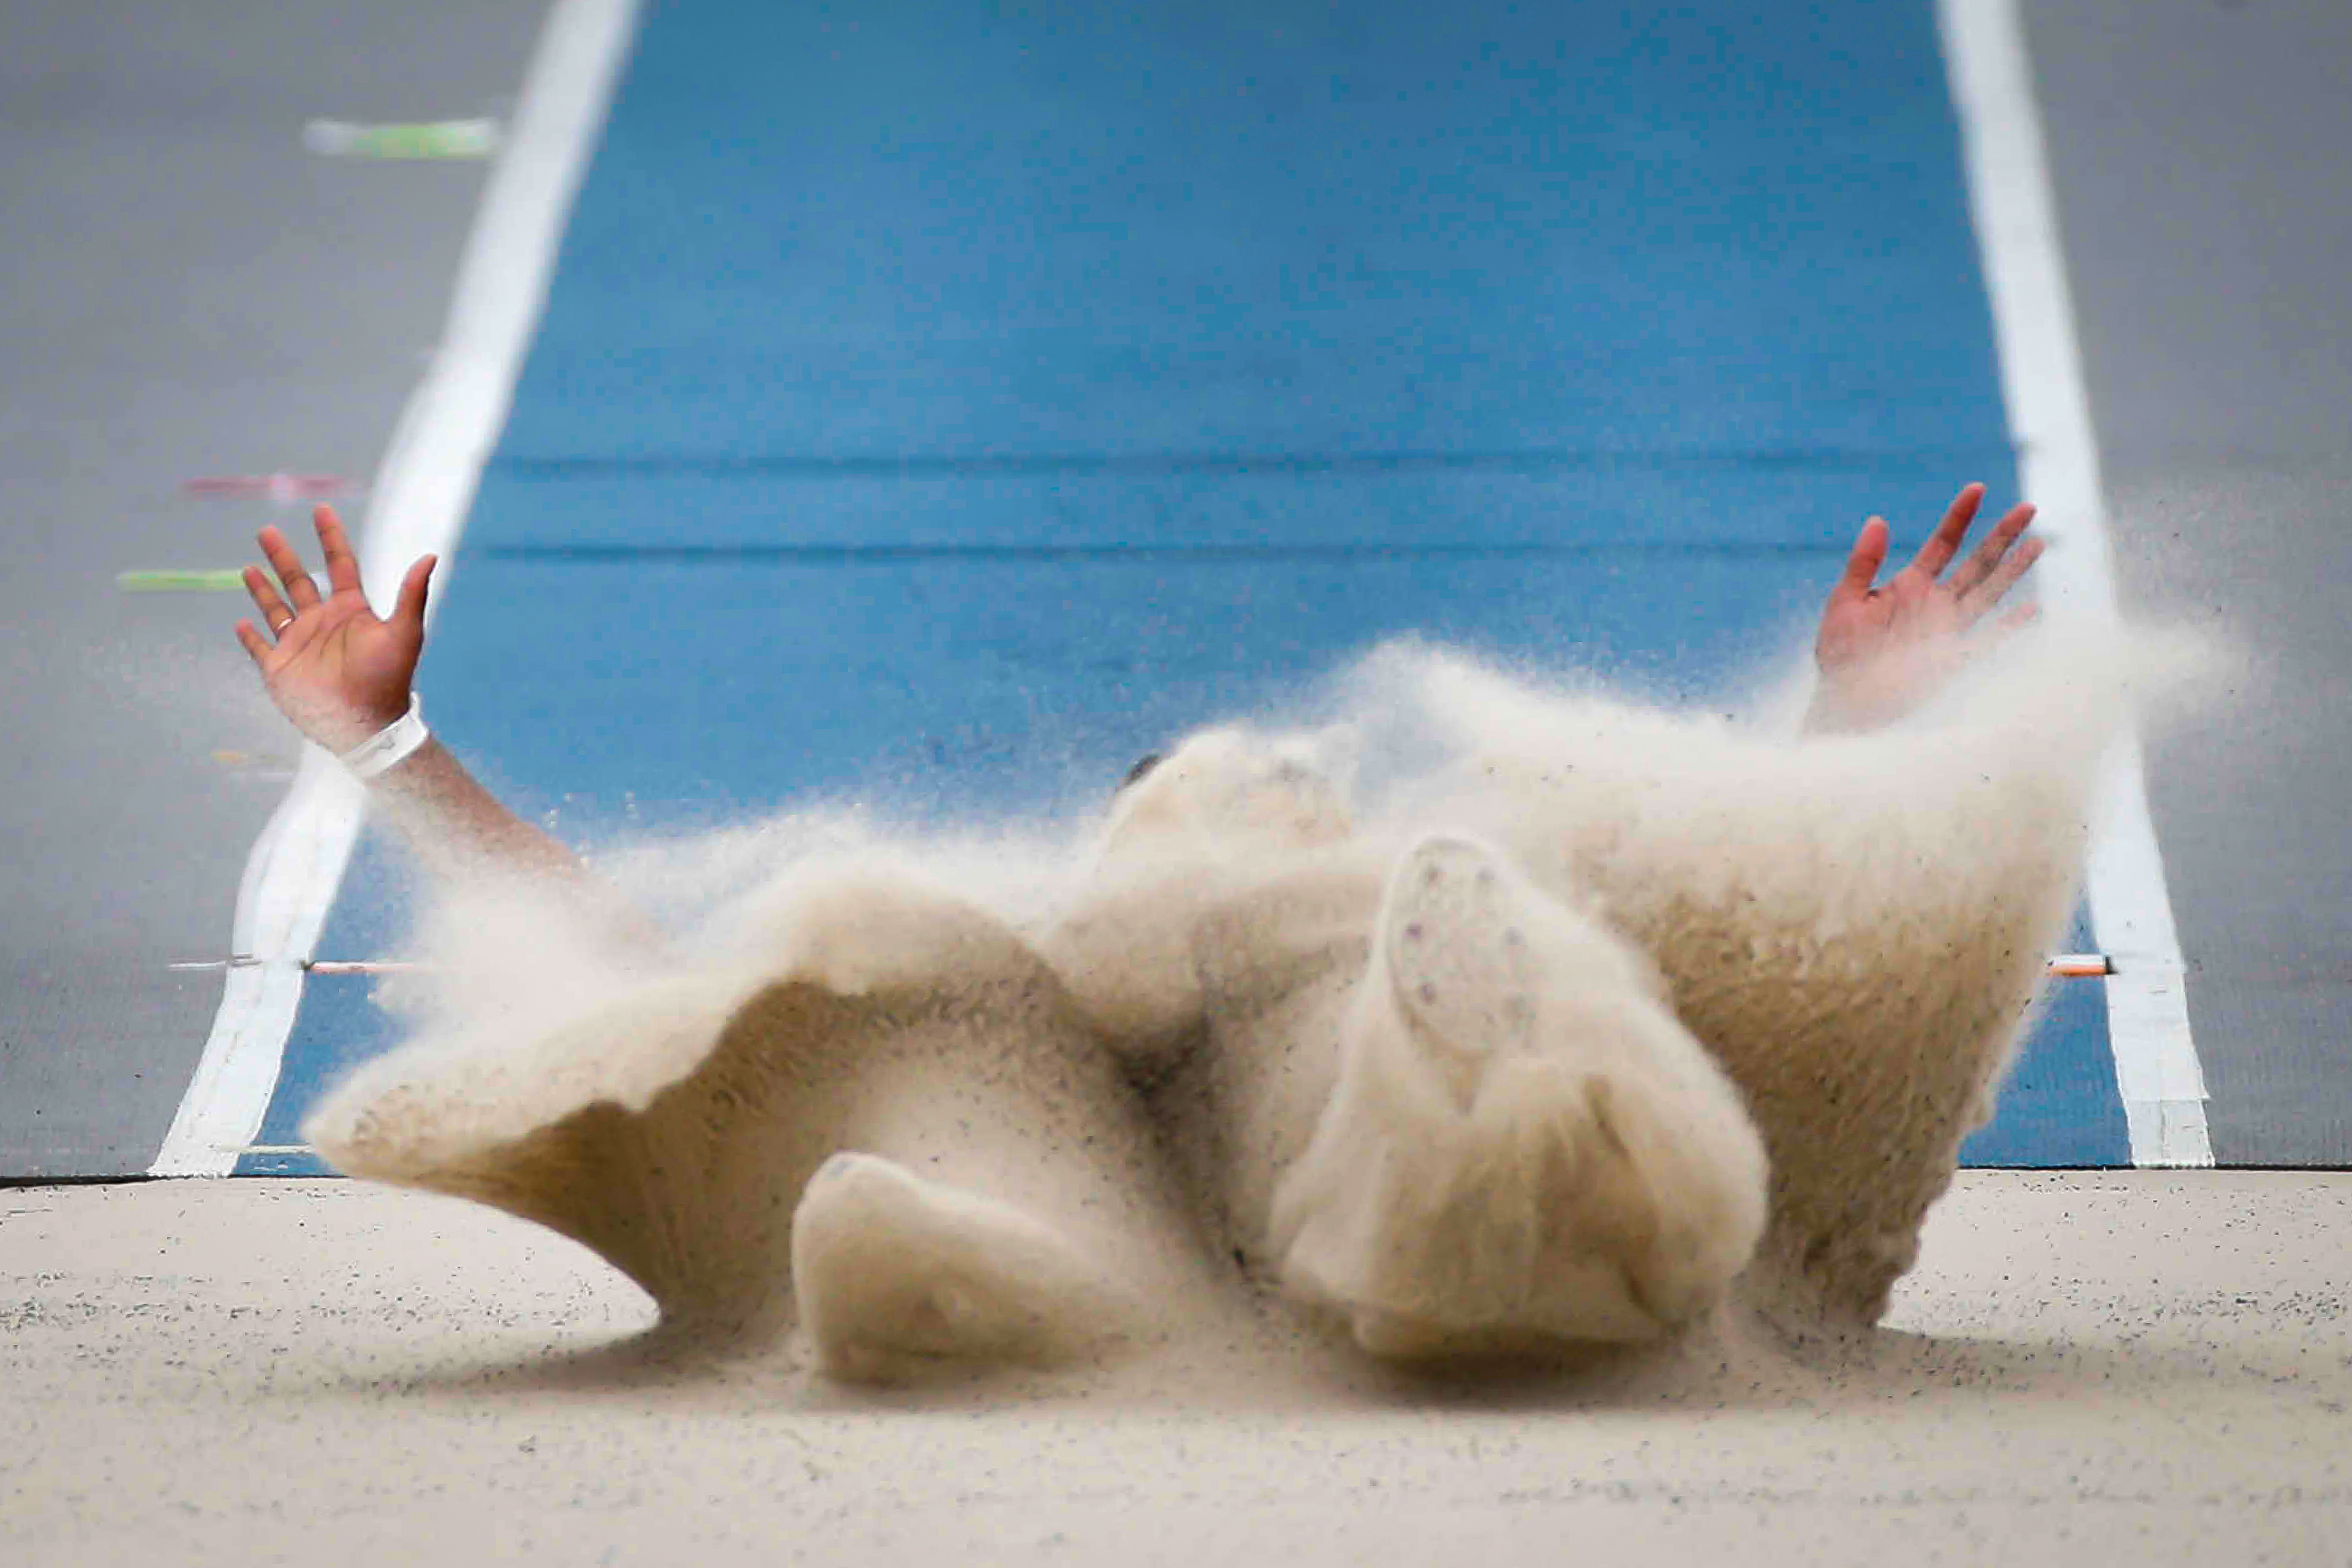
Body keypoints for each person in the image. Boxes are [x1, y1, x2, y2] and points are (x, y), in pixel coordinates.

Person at [237, 486, 2072, 1376]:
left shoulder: (1386, 898)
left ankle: (1495, 1161)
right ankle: (971, 1267)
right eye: (1183, 783)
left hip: (1348, 1038)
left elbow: (1725, 908)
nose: (1228, 783)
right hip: (1134, 1132)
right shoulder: (1032, 956)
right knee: (878, 1015)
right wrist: (390, 745)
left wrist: (1850, 733)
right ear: (1120, 833)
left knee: (1436, 1047)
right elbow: (642, 996)